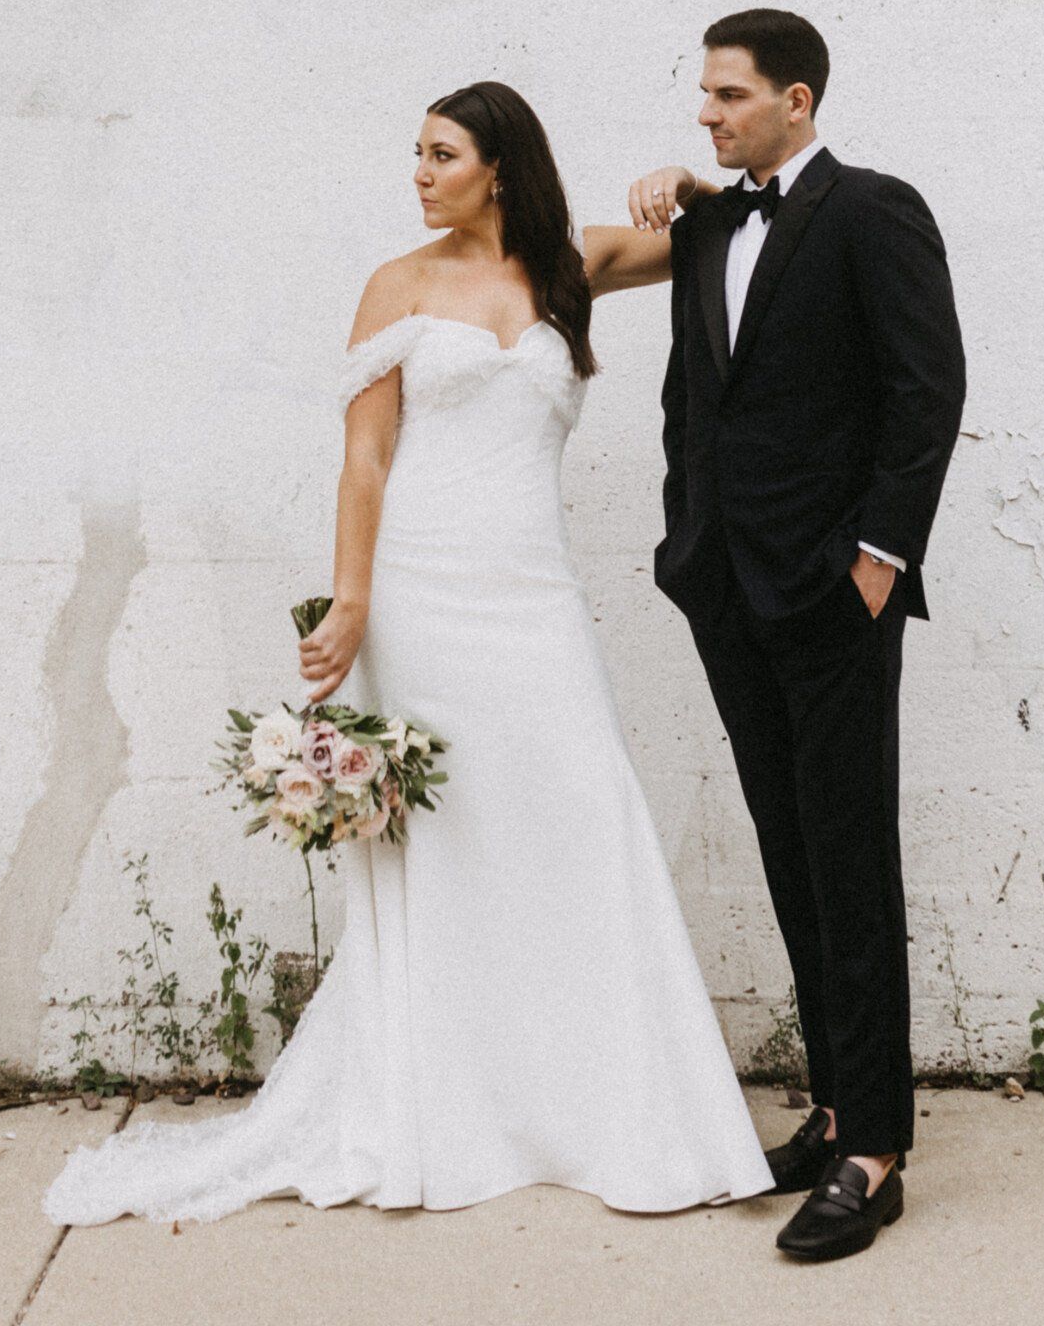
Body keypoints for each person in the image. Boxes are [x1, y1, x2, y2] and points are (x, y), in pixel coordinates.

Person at [44, 80, 771, 1226]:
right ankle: (451, 1107)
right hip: (423, 592)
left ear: (499, 167)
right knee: (447, 838)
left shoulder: (569, 266)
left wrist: (682, 184)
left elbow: (712, 240)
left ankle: (601, 1109)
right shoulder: (398, 285)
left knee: (581, 806)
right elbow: (366, 461)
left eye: (442, 154)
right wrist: (349, 601)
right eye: (418, 154)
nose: (421, 173)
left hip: (532, 589)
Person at [596, 7, 966, 1265]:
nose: (707, 113)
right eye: (704, 94)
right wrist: (683, 541)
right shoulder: (705, 222)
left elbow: (928, 391)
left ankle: (875, 1152)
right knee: (789, 848)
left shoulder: (874, 209)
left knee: (850, 854)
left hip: (829, 593)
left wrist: (877, 559)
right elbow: (692, 394)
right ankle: (834, 1108)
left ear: (796, 100)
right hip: (725, 588)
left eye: (731, 95)